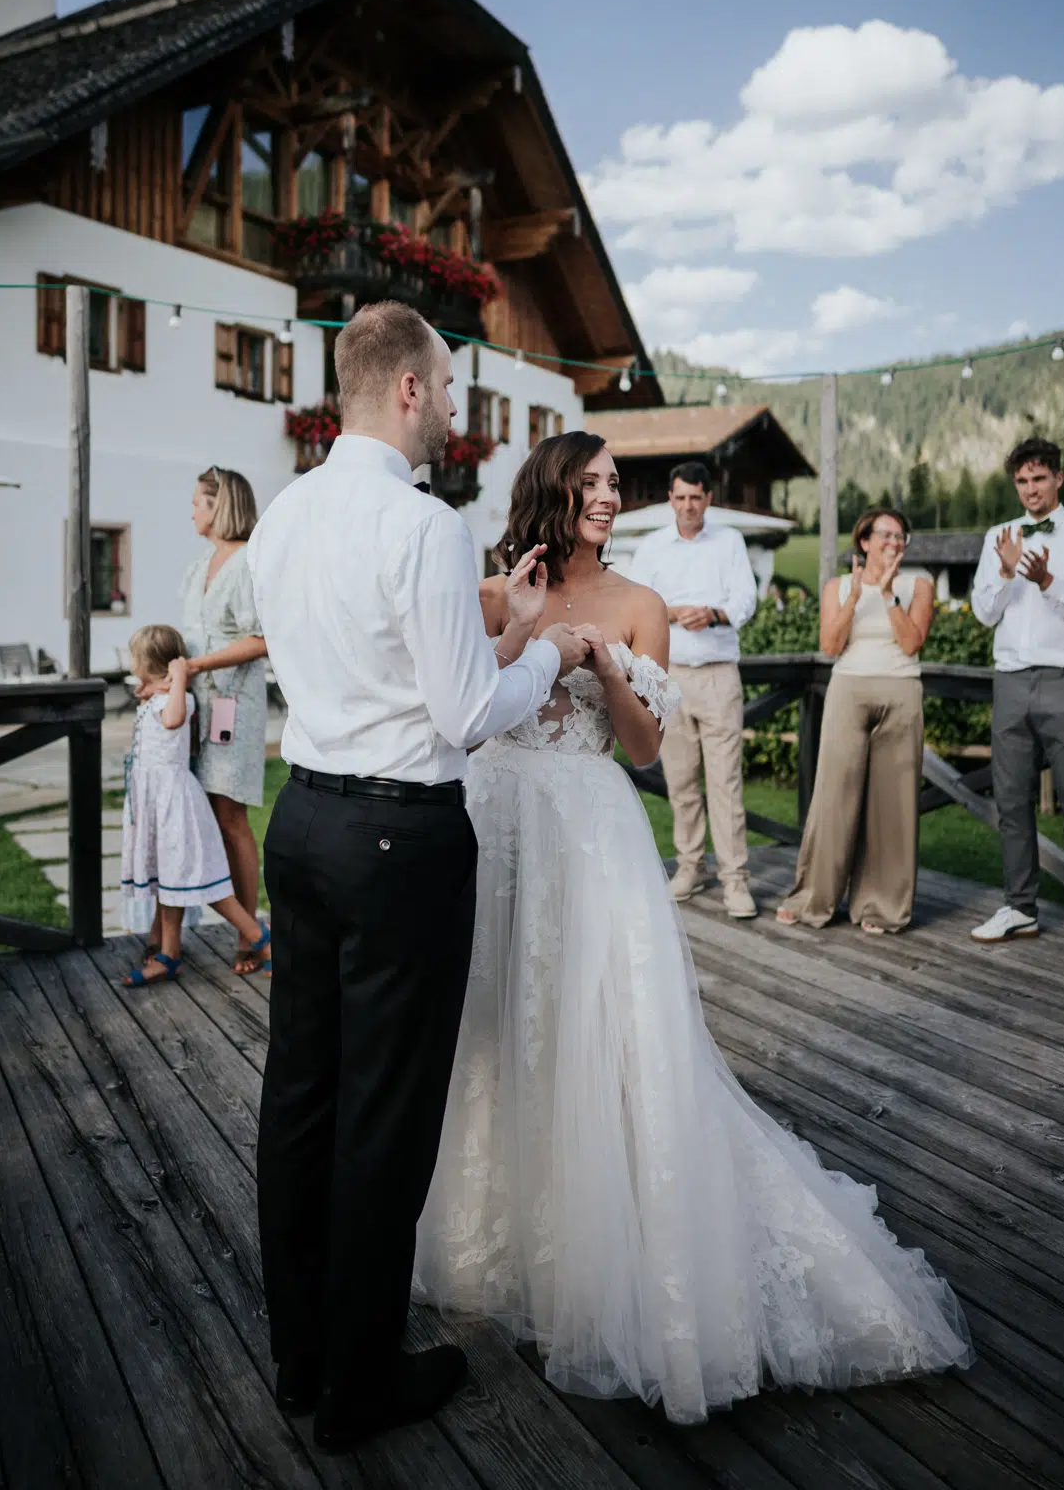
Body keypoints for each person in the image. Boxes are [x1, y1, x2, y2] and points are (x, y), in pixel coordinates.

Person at [414, 437, 973, 1424]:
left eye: (610, 485)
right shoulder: (495, 591)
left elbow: (639, 747)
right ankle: (499, 1233)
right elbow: (461, 710)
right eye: (588, 483)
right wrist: (526, 633)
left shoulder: (641, 605)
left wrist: (603, 665)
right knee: (499, 1023)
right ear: (550, 490)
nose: (605, 497)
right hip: (495, 824)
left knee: (606, 1035)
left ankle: (614, 1246)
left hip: (587, 828)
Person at [247, 299, 590, 1454]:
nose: (453, 409)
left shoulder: (283, 518)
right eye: (446, 387)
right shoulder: (428, 526)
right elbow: (465, 713)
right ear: (404, 388)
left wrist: (508, 635)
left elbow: (380, 679)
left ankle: (299, 1356)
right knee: (383, 1120)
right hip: (400, 844)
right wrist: (546, 650)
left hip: (302, 824)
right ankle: (359, 1383)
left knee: (300, 1098)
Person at [969, 437, 1064, 970]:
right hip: (1010, 681)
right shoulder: (996, 536)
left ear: (1059, 479)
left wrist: (1046, 581)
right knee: (1012, 802)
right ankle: (1019, 907)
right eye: (1022, 481)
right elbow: (983, 613)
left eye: (1039, 479)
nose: (1030, 490)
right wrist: (1004, 572)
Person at [776, 507, 934, 936]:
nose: (893, 543)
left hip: (902, 692)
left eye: (900, 536)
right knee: (834, 798)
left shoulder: (919, 585)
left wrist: (885, 596)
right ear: (864, 541)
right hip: (848, 690)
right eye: (885, 535)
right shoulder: (837, 586)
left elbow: (911, 642)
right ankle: (814, 900)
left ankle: (881, 907)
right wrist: (855, 597)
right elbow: (830, 645)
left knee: (894, 805)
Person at [628, 461, 758, 917]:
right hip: (671, 675)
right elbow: (636, 602)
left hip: (718, 673)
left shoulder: (730, 542)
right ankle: (689, 867)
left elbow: (745, 599)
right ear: (670, 498)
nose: (687, 506)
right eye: (680, 498)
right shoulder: (651, 547)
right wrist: (673, 611)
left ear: (708, 499)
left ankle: (735, 880)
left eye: (695, 498)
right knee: (681, 781)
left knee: (726, 783)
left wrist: (713, 614)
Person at [119, 624, 272, 988]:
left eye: (134, 660)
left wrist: (179, 676)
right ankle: (169, 955)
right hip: (157, 805)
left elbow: (173, 720)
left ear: (146, 662)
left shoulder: (179, 700)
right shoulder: (155, 695)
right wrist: (158, 685)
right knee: (169, 880)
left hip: (176, 805)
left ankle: (263, 940)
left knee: (205, 885)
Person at [178, 466, 270, 974]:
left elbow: (262, 639)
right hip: (197, 706)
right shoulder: (201, 565)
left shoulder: (247, 565)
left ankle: (249, 936)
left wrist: (198, 665)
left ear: (221, 505)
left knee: (232, 817)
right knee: (205, 816)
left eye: (198, 501)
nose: (191, 510)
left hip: (234, 705)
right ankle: (227, 921)